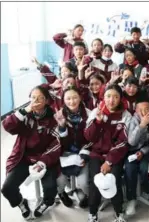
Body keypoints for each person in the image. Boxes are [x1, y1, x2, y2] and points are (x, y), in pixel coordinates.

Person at [1, 86, 61, 219]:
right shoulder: (24, 115)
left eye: (40, 98)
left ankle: (47, 202)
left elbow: (56, 144)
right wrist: (25, 110)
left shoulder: (53, 118)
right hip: (23, 157)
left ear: (46, 101)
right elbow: (7, 126)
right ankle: (21, 202)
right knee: (7, 188)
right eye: (33, 97)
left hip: (45, 158)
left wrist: (42, 162)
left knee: (51, 187)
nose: (36, 101)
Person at [84, 84, 132, 222]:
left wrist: (109, 161)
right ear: (103, 97)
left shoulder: (125, 115)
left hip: (115, 155)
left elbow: (123, 142)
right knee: (94, 181)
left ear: (120, 99)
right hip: (96, 154)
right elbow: (88, 137)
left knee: (113, 180)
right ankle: (92, 213)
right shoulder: (96, 112)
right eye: (108, 96)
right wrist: (98, 121)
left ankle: (119, 212)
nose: (112, 100)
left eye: (116, 96)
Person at [55, 87, 92, 208]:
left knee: (84, 183)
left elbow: (92, 139)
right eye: (68, 98)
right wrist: (62, 126)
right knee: (60, 181)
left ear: (80, 98)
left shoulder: (89, 114)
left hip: (83, 152)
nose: (72, 101)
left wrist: (84, 153)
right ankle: (62, 194)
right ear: (63, 100)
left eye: (75, 97)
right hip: (66, 154)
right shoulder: (59, 115)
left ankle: (87, 196)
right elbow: (60, 142)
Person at [124, 92, 149, 216]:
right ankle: (131, 199)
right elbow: (131, 141)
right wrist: (142, 125)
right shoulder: (133, 119)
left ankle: (146, 189)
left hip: (147, 152)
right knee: (130, 170)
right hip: (132, 152)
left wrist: (143, 151)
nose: (144, 112)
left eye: (147, 109)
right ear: (136, 110)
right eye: (140, 110)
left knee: (145, 168)